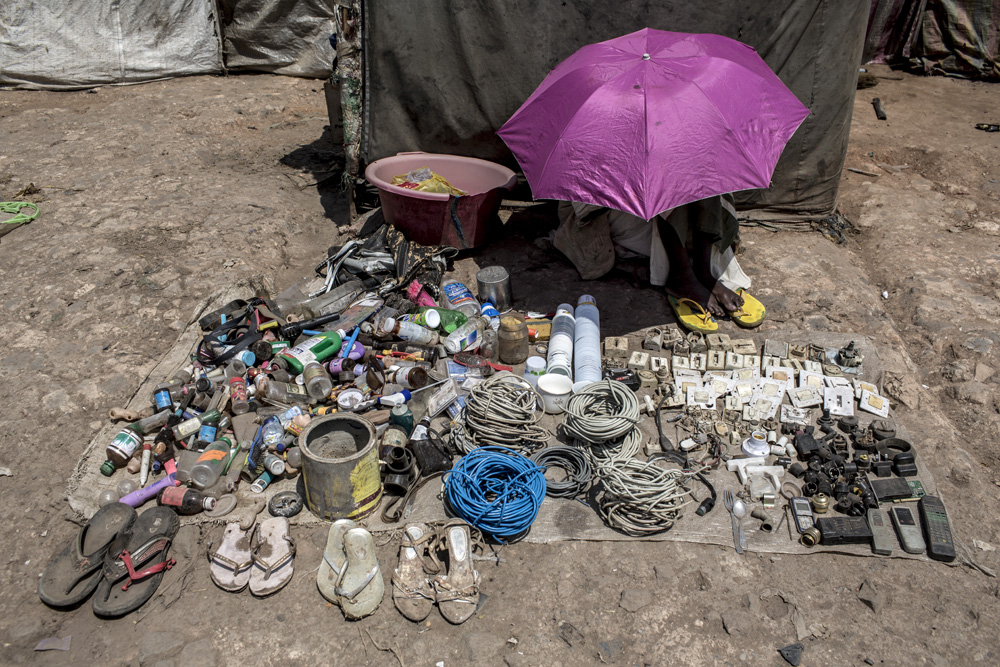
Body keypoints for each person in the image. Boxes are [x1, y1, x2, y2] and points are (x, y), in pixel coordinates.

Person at [553, 194, 765, 330]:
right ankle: (681, 274)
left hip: (660, 210)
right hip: (611, 208)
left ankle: (703, 270)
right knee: (670, 184)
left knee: (702, 170)